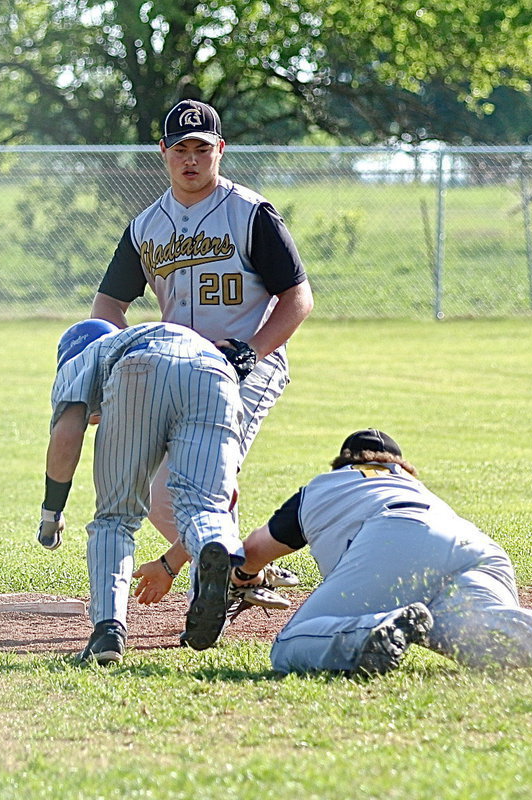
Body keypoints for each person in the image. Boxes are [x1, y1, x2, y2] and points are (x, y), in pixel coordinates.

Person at [139, 428, 532, 676]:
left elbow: (251, 552)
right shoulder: (417, 485)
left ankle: (371, 631)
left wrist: (236, 580)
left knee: (288, 648)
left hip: (393, 539)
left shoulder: (325, 486)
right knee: (469, 633)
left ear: (343, 463)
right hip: (476, 547)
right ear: (399, 465)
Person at [90, 99, 314, 546]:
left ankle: (231, 575)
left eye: (201, 148)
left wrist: (254, 350)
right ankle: (238, 574)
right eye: (180, 149)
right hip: (178, 365)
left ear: (220, 150)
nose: (190, 159)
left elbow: (298, 297)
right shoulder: (146, 226)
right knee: (159, 495)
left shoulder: (251, 213)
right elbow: (108, 305)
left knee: (192, 482)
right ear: (163, 151)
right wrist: (110, 366)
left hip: (247, 361)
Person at [36, 319, 286, 665]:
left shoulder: (85, 356)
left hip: (138, 369)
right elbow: (230, 495)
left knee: (116, 518)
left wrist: (52, 513)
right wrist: (172, 562)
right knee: (206, 509)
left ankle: (108, 631)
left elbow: (66, 436)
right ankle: (213, 548)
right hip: (216, 368)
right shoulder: (159, 338)